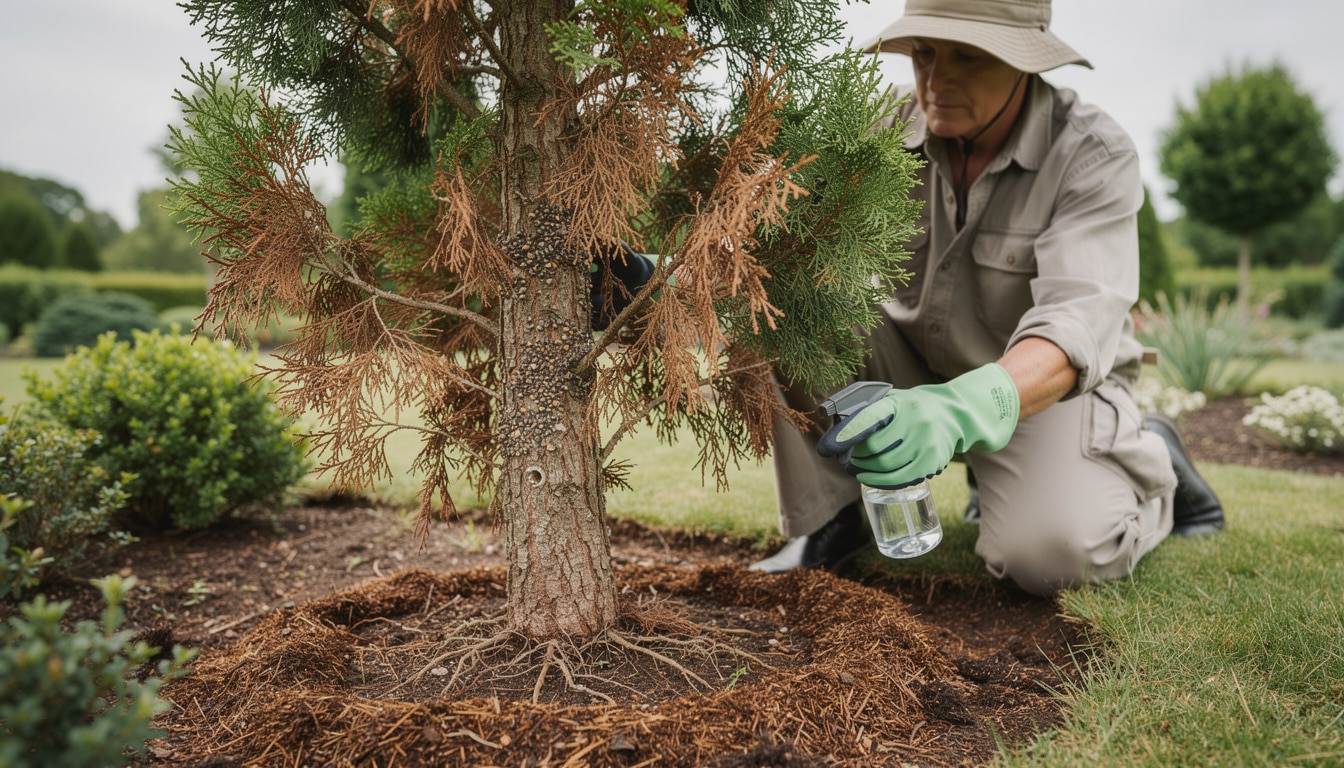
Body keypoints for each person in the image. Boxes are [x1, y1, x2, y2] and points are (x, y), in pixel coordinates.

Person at [748, 0, 1224, 595]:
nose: (935, 80)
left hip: (1042, 390)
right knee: (778, 298)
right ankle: (834, 516)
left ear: (1024, 62)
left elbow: (1073, 326)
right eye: (924, 53)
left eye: (967, 57)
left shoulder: (1092, 155)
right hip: (910, 360)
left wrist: (957, 410)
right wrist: (666, 278)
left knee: (1055, 557)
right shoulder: (877, 128)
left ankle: (1153, 465)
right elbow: (775, 245)